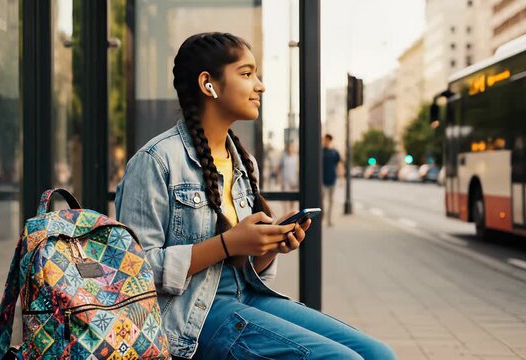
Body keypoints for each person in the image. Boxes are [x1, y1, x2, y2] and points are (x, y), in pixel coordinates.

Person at [115, 32, 396, 360]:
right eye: (247, 74)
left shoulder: (242, 161)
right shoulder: (156, 161)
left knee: (378, 354)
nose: (260, 85)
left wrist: (268, 247)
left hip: (246, 295)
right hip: (190, 314)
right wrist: (228, 244)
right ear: (209, 84)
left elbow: (247, 269)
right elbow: (134, 273)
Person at [322, 134, 342, 226]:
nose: (325, 141)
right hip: (322, 181)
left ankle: (329, 220)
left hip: (332, 180)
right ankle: (321, 217)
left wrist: (341, 179)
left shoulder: (335, 152)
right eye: (324, 140)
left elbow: (339, 165)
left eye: (327, 140)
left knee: (331, 201)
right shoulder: (321, 151)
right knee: (321, 201)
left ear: (330, 141)